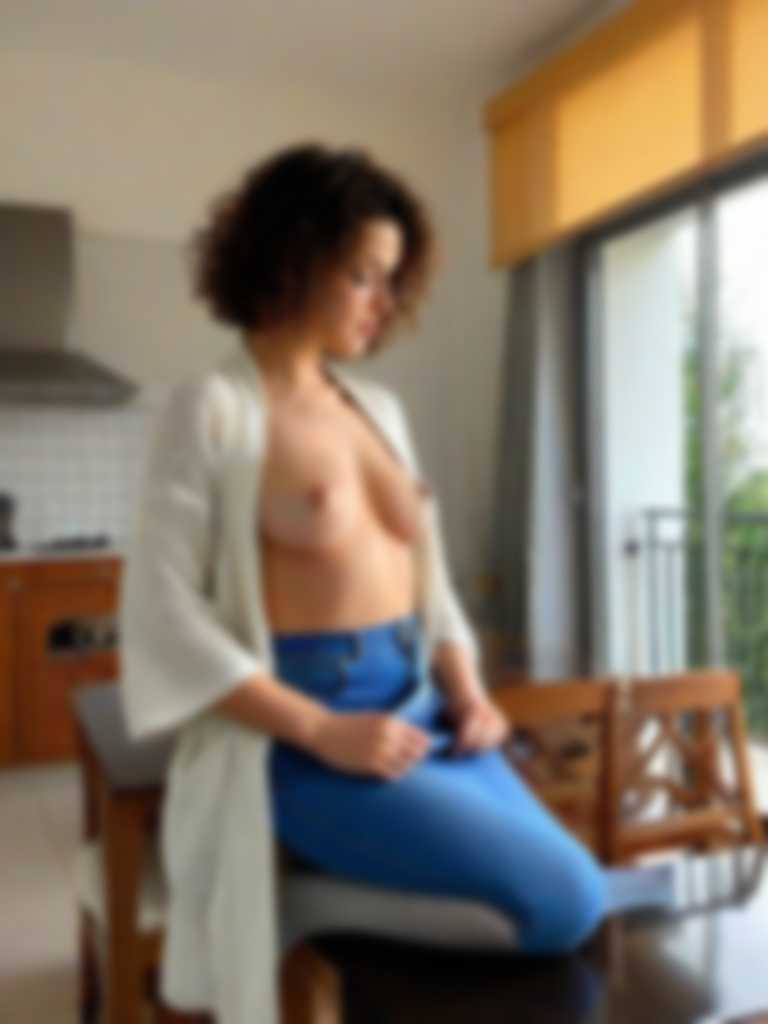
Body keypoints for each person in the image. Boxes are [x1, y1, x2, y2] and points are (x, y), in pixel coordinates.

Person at [119, 142, 607, 1024]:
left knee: (581, 896)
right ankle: (294, 908)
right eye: (363, 276)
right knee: (565, 901)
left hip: (425, 709)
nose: (385, 303)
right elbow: (162, 612)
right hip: (306, 735)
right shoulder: (214, 410)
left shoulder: (380, 411)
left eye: (392, 280)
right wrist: (320, 729)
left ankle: (316, 904)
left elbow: (430, 582)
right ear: (292, 262)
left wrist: (468, 692)